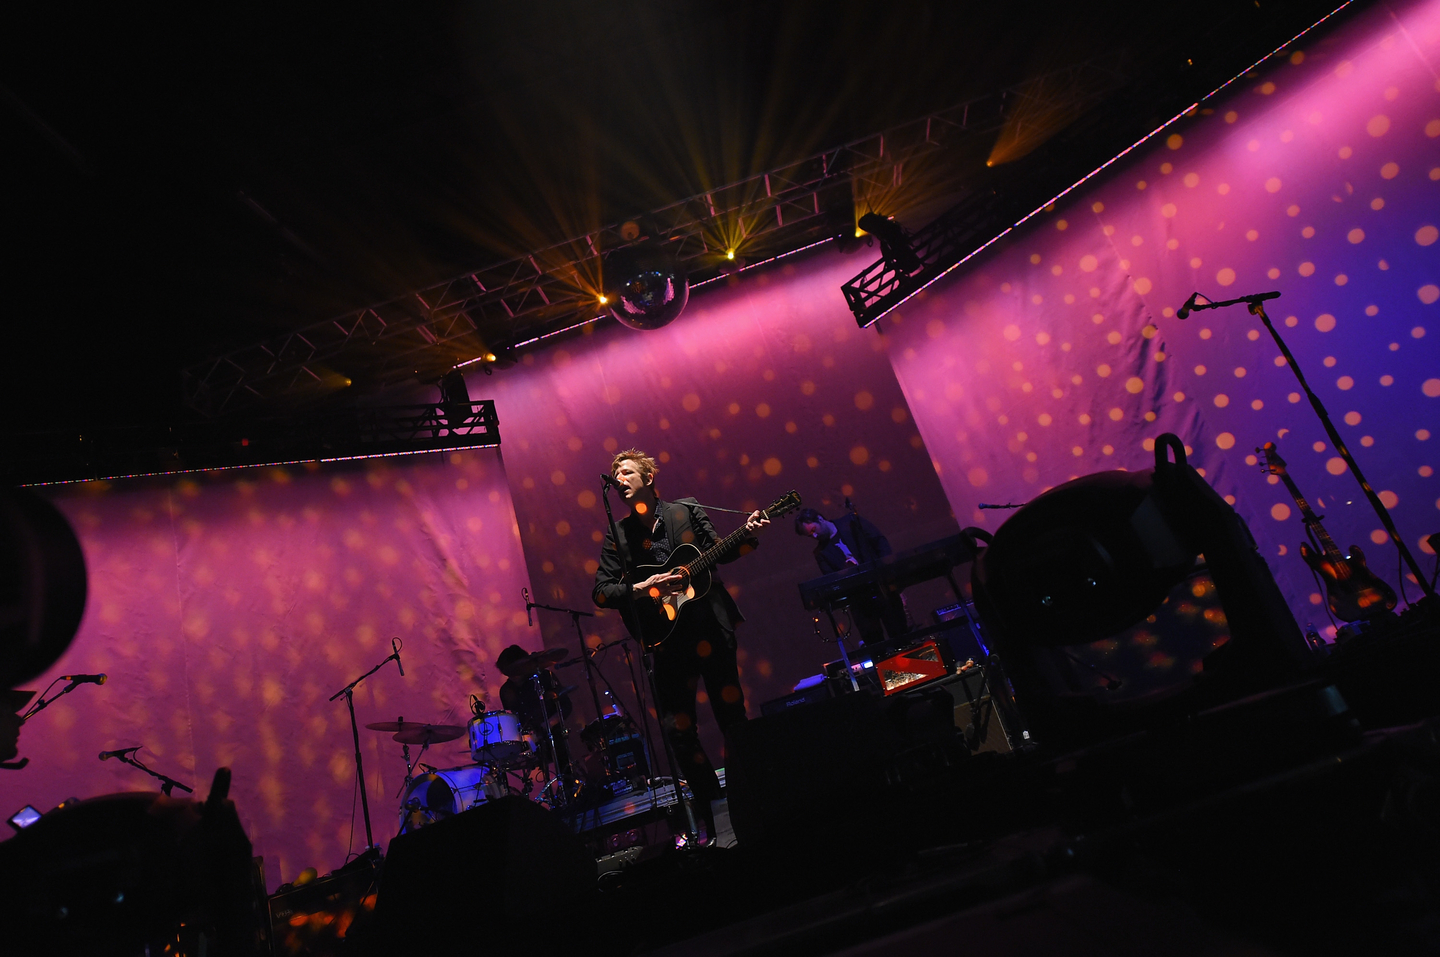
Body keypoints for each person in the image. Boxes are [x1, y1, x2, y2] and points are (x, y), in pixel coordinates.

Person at [592, 449, 767, 842]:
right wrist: (645, 587)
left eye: (627, 472)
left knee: (731, 718)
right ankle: (716, 814)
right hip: (665, 642)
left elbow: (724, 550)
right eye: (616, 474)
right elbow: (601, 593)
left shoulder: (685, 511)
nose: (619, 479)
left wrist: (749, 533)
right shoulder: (618, 534)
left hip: (710, 630)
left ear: (648, 477)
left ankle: (752, 804)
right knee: (678, 731)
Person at [795, 506, 907, 644]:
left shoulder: (851, 522)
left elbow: (880, 543)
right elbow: (832, 579)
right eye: (810, 535)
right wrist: (846, 571)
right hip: (861, 603)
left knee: (901, 637)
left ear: (820, 519)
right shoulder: (821, 553)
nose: (814, 536)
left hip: (883, 589)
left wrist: (891, 577)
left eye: (813, 530)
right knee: (876, 646)